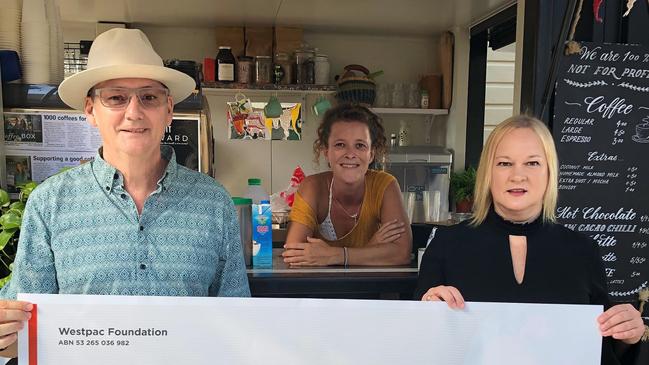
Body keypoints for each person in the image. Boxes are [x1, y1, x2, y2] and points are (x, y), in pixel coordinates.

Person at [0, 28, 250, 358]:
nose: (134, 112)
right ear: (90, 110)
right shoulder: (49, 204)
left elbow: (237, 322)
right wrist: (6, 333)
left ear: (169, 109)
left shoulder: (213, 203)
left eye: (149, 97)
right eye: (116, 98)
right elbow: (27, 335)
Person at [415, 115, 644, 364]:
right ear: (487, 173)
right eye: (504, 163)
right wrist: (426, 313)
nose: (518, 175)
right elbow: (418, 345)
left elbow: (602, 351)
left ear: (549, 172)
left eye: (532, 163)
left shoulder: (583, 251)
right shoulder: (446, 246)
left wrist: (627, 336)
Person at [284, 104, 412, 266]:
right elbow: (293, 254)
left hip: (371, 289)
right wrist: (371, 247)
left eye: (360, 145)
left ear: (371, 154)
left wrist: (335, 255)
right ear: (326, 152)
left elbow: (402, 253)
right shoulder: (313, 187)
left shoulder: (385, 185)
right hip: (317, 290)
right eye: (340, 145)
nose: (350, 154)